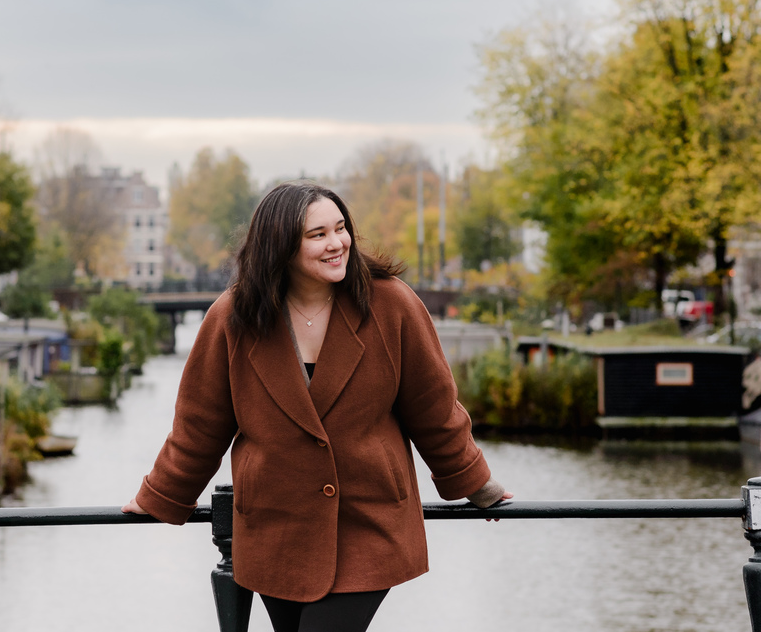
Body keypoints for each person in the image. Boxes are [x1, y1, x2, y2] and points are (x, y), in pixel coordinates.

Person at [123, 181, 511, 632]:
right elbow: (200, 424)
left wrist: (477, 484)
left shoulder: (391, 305)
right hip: (274, 530)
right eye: (318, 235)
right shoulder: (233, 318)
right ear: (281, 246)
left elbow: (434, 409)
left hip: (369, 522)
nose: (337, 244)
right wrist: (163, 494)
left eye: (341, 228)